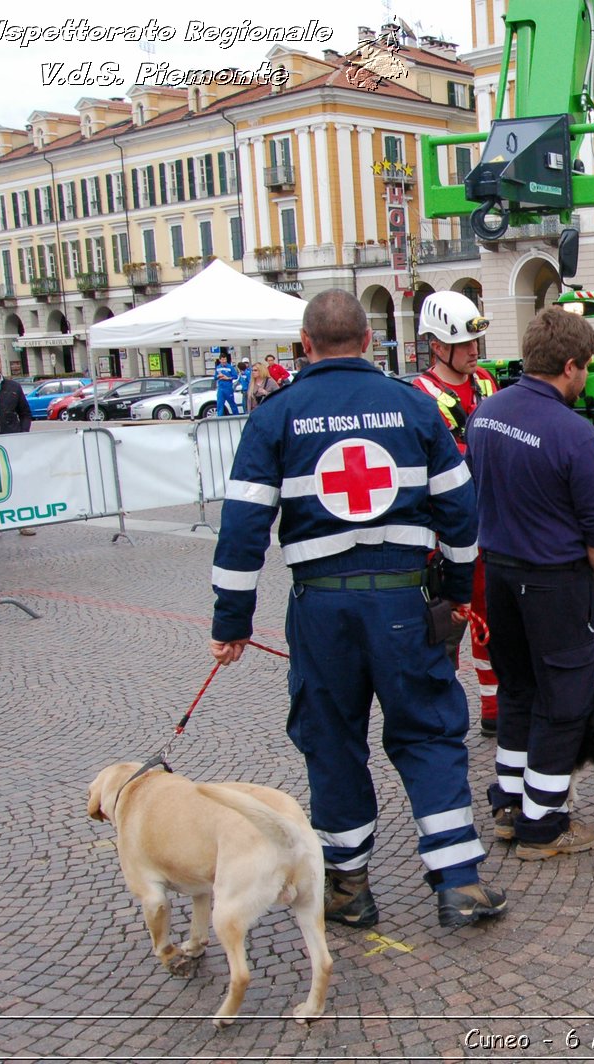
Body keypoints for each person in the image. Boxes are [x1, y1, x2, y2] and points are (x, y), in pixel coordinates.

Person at [207, 290, 505, 930]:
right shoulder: (414, 406)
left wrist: (230, 622)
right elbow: (461, 511)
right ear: (370, 341)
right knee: (428, 733)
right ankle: (459, 884)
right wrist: (455, 590)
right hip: (403, 601)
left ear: (305, 345)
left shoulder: (275, 416)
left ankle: (347, 888)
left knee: (333, 743)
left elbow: (242, 528)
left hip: (321, 610)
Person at [467, 307, 594, 860]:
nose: (586, 380)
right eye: (587, 370)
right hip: (554, 581)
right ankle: (543, 822)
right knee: (565, 698)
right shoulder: (573, 432)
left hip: (500, 573)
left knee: (517, 689)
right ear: (571, 365)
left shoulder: (484, 414)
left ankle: (508, 802)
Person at [414, 291, 501, 735]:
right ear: (437, 345)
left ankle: (493, 707)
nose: (474, 351)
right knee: (446, 630)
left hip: (490, 530)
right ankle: (439, 721)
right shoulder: (420, 395)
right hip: (446, 538)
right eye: (464, 344)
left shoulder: (486, 383)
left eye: (475, 343)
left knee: (492, 623)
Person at [0, 348, 34, 539]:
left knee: (18, 482)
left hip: (13, 444)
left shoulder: (13, 387)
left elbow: (26, 414)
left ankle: (23, 523)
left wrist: (22, 433)